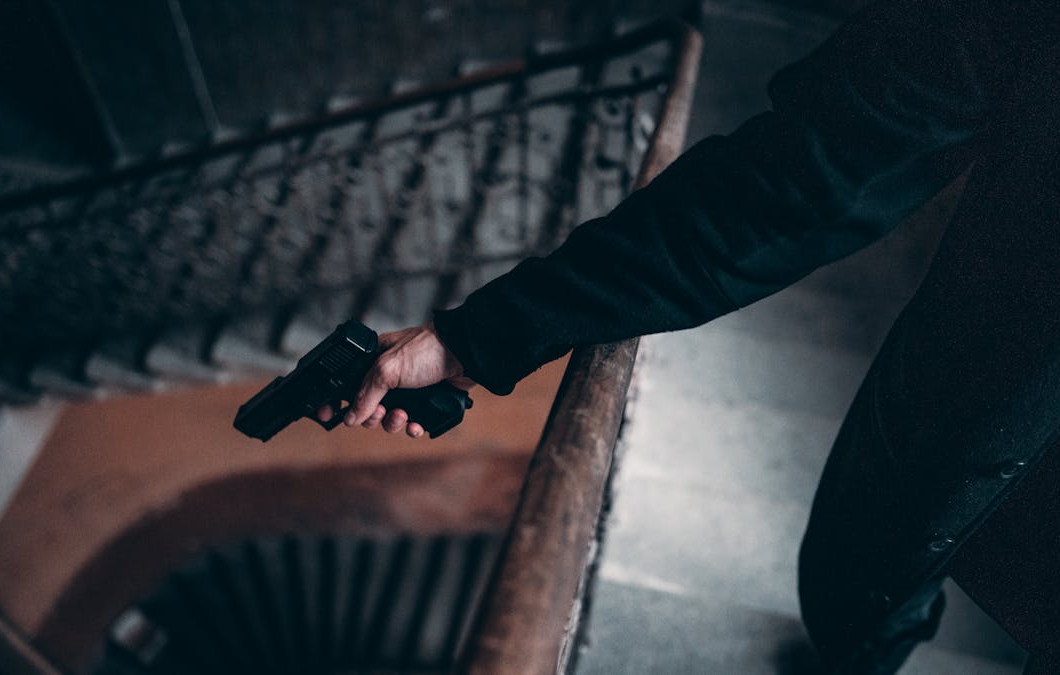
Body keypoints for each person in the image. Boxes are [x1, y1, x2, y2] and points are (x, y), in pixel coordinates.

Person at [322, 0, 1059, 671]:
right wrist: (477, 338)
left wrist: (477, 336)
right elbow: (797, 184)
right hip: (966, 439)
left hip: (970, 439)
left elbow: (795, 189)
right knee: (863, 588)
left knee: (865, 578)